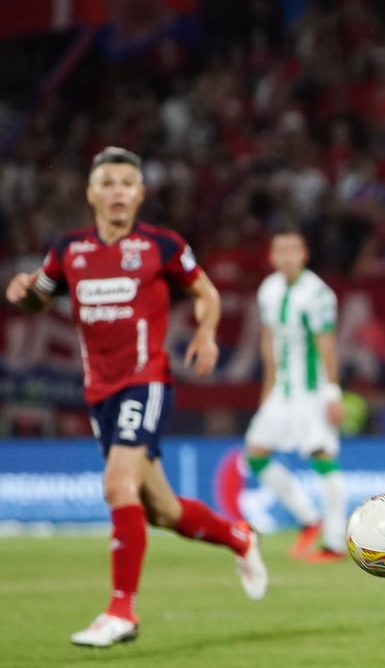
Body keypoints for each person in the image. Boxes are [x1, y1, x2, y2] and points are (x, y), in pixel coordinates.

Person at [5, 147, 268, 648]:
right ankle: (238, 536)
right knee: (161, 511)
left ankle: (121, 610)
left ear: (141, 193)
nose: (117, 191)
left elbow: (206, 293)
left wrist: (207, 333)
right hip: (98, 392)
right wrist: (24, 292)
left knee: (116, 482)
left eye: (127, 182)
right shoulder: (67, 250)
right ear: (91, 194)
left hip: (144, 381)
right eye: (107, 183)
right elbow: (40, 296)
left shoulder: (161, 246)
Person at [242, 227, 348, 562]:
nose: (287, 257)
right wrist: (267, 390)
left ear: (304, 254)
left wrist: (332, 394)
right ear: (272, 256)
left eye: (293, 250)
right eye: (280, 251)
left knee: (322, 457)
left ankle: (334, 541)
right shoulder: (269, 289)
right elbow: (268, 343)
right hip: (282, 391)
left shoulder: (318, 294)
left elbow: (327, 346)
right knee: (255, 453)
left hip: (312, 392)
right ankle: (308, 519)